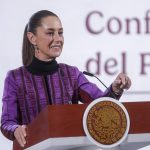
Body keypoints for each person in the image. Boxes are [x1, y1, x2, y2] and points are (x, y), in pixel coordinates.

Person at [0, 10, 131, 147]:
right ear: (32, 38)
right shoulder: (15, 78)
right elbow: (7, 122)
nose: (58, 39)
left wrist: (115, 90)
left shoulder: (72, 74)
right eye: (50, 33)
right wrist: (15, 129)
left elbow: (100, 106)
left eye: (60, 33)